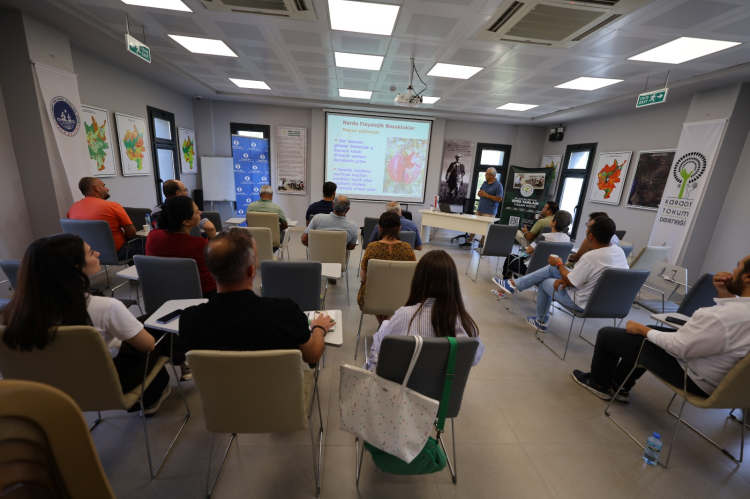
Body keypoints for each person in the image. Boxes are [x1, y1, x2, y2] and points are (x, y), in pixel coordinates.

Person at [1, 234, 171, 415]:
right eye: (91, 253)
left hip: (50, 388)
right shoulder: (105, 307)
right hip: (109, 382)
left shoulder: (14, 314)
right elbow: (148, 345)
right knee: (160, 331)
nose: (97, 253)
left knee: (144, 322)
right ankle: (154, 393)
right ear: (75, 268)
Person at [572, 256, 750, 402]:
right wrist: (725, 295)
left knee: (607, 335)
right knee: (650, 331)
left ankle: (599, 384)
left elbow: (678, 347)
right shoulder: (739, 313)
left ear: (747, 277)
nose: (733, 270)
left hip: (694, 379)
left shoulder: (720, 316)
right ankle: (620, 385)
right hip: (728, 387)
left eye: (738, 266)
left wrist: (642, 330)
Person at [179, 229, 335, 364]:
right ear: (251, 270)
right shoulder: (285, 313)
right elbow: (312, 355)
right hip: (276, 390)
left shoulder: (189, 320)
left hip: (219, 391)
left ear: (210, 270)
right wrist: (319, 328)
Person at [493, 216, 629, 332]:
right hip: (608, 302)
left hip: (582, 303)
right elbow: (599, 277)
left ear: (591, 235)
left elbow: (571, 281)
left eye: (587, 227)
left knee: (545, 281)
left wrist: (559, 264)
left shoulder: (591, 257)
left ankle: (540, 321)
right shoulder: (619, 251)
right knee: (553, 270)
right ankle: (514, 284)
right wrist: (564, 276)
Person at [364, 250, 484, 372]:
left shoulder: (404, 315)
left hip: (405, 383)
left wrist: (385, 325)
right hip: (445, 385)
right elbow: (475, 358)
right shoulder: (465, 322)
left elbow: (382, 349)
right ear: (453, 283)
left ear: (418, 280)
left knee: (383, 328)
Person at [145, 196, 217, 297]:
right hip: (201, 296)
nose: (200, 213)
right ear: (186, 221)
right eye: (197, 212)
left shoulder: (152, 236)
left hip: (163, 295)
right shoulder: (201, 245)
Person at [494, 210, 572, 299]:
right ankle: (510, 284)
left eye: (552, 218)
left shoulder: (544, 236)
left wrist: (533, 252)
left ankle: (503, 290)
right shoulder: (567, 239)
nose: (550, 219)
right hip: (554, 272)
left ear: (554, 223)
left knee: (510, 258)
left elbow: (528, 250)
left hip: (533, 269)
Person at [358, 211, 417, 322]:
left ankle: (383, 325)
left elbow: (363, 278)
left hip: (373, 298)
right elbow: (413, 277)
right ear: (399, 228)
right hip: (401, 297)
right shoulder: (407, 248)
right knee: (391, 296)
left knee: (374, 290)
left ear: (379, 228)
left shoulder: (372, 247)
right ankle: (386, 324)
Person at [67, 177, 142, 260]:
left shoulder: (73, 208)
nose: (107, 189)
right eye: (104, 186)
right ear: (97, 189)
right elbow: (131, 233)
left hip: (86, 253)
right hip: (116, 253)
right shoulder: (113, 206)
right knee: (145, 242)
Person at [303, 195, 359, 284]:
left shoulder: (317, 218)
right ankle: (332, 274)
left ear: (333, 205)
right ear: (348, 209)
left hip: (316, 261)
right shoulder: (353, 226)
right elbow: (351, 247)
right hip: (337, 263)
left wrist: (314, 247)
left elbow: (304, 239)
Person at [151, 179, 216, 238]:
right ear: (178, 193)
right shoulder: (189, 208)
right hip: (194, 242)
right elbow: (209, 227)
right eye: (185, 190)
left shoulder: (156, 210)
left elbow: (159, 229)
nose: (187, 193)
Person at [460, 167, 503, 249]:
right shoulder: (484, 183)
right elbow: (480, 193)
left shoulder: (498, 185)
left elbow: (499, 199)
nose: (485, 175)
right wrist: (479, 194)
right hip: (480, 209)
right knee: (474, 226)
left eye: (487, 174)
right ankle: (469, 242)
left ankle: (482, 245)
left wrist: (487, 195)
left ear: (492, 175)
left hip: (489, 211)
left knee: (485, 229)